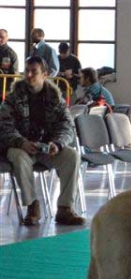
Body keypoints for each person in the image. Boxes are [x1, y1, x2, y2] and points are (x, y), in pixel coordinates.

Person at [0, 56, 85, 226]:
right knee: (18, 157)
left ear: (45, 74)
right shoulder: (12, 99)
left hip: (46, 148)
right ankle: (32, 206)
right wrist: (21, 142)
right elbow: (4, 127)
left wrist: (58, 144)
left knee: (72, 156)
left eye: (34, 72)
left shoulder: (56, 100)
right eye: (27, 71)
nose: (29, 75)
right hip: (20, 147)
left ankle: (65, 208)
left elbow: (67, 126)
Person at [0, 29, 19, 95]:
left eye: (2, 37)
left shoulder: (11, 54)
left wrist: (10, 92)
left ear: (7, 38)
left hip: (3, 90)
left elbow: (14, 74)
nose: (0, 39)